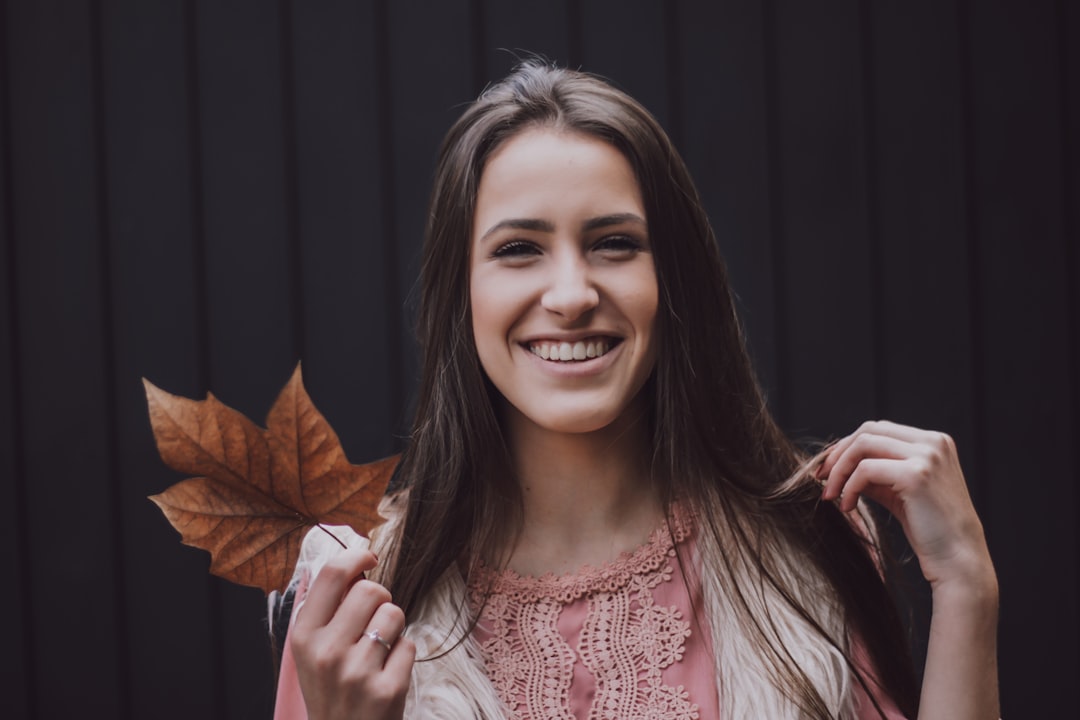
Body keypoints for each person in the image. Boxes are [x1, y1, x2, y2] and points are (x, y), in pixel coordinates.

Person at [271, 60, 999, 719]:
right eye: (519, 249)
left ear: (672, 279)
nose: (571, 294)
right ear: (460, 295)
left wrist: (968, 589)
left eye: (614, 243)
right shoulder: (357, 602)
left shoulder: (810, 548)